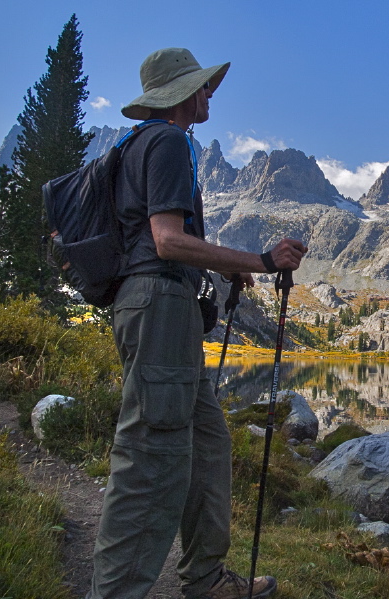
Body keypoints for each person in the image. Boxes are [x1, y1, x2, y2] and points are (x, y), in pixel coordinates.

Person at [87, 47, 307, 599]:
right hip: (159, 307)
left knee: (208, 445)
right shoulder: (165, 141)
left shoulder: (141, 144)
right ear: (180, 93)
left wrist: (224, 271)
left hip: (164, 306)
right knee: (152, 459)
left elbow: (160, 240)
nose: (211, 94)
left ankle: (206, 580)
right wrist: (256, 261)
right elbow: (166, 240)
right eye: (203, 86)